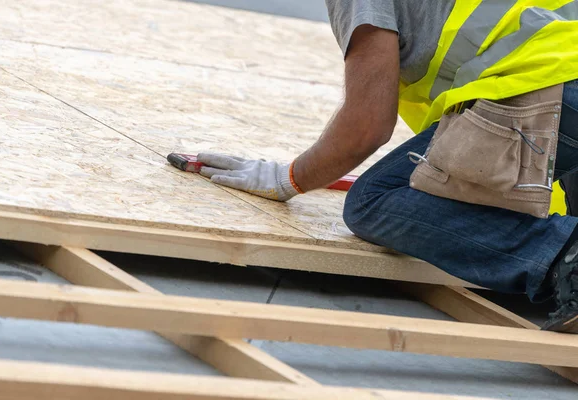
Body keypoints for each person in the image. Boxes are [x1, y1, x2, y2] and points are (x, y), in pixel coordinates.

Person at [195, 1, 578, 332]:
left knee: (376, 200)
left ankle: (569, 258)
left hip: (549, 84)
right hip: (563, 88)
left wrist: (287, 178)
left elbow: (367, 126)